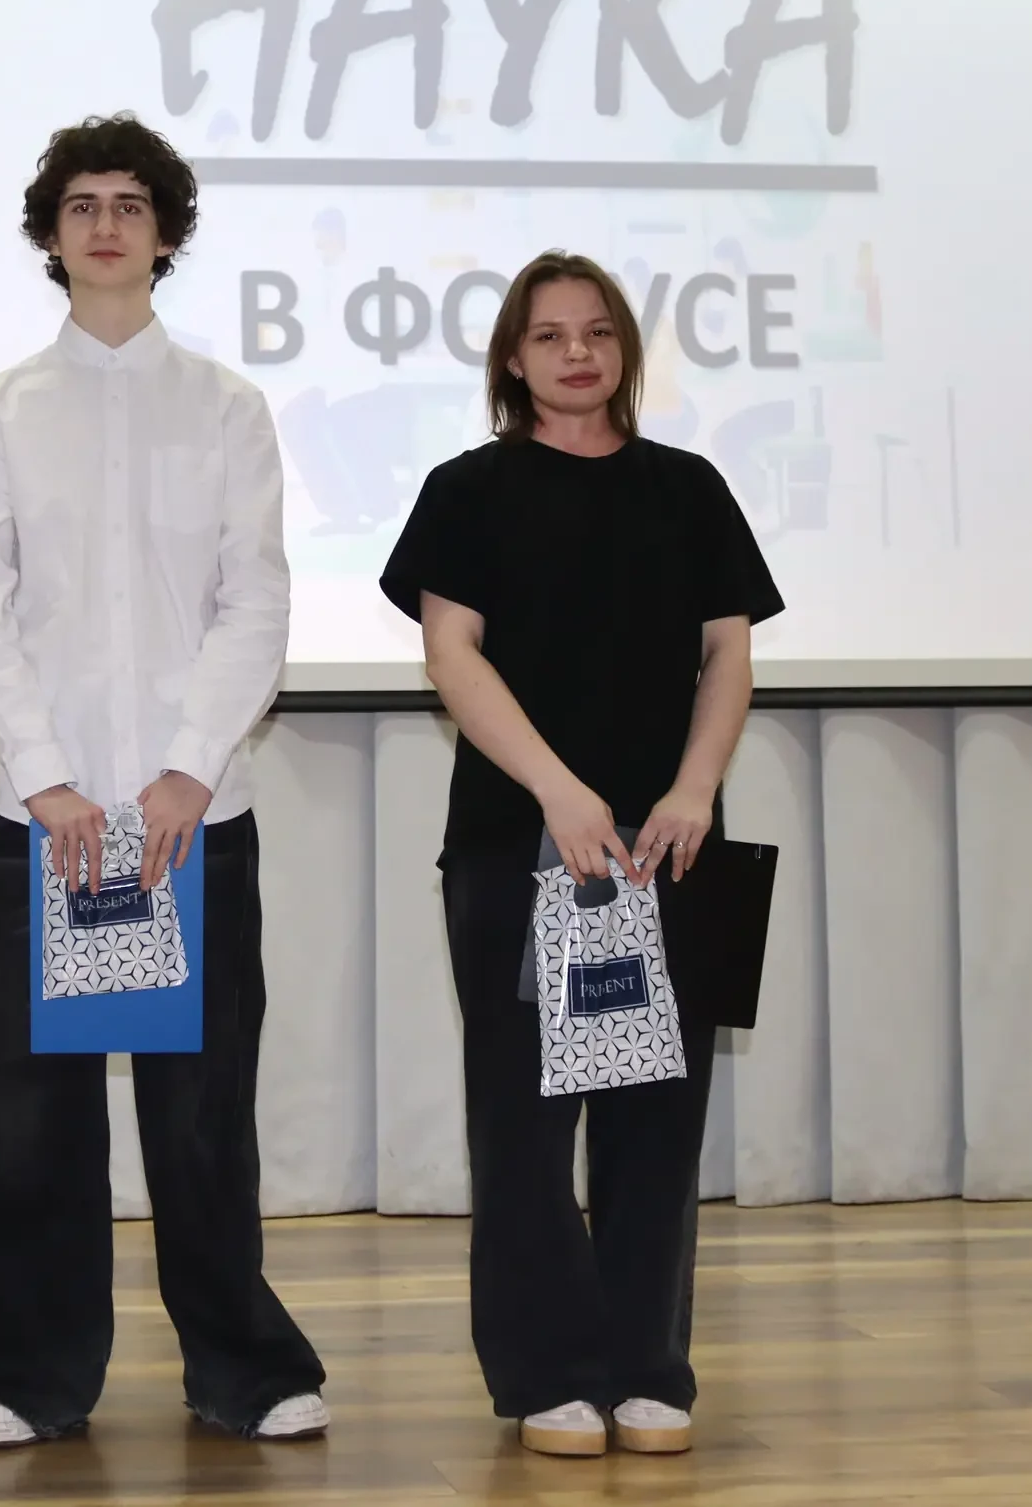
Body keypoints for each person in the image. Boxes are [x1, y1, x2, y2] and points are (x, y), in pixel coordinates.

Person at [0, 113, 329, 1447]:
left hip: (190, 819)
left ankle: (242, 1368)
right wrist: (47, 779)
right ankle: (26, 1369)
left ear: (166, 235)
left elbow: (254, 601)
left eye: (131, 205)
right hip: (40, 822)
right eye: (82, 205)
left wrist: (184, 770)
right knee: (28, 1111)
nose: (106, 225)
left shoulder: (228, 409)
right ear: (52, 237)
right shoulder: (0, 411)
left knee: (200, 1108)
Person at [378, 250, 782, 1457]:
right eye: (550, 335)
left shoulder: (688, 487)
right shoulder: (467, 490)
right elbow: (452, 655)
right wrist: (558, 791)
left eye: (597, 332)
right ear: (513, 357)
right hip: (518, 843)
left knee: (658, 1116)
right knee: (524, 1119)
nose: (576, 353)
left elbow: (727, 653)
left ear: (624, 351)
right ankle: (546, 1373)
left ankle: (648, 1368)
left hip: (667, 849)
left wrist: (694, 789)